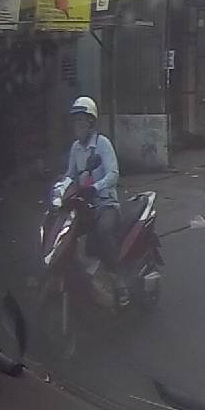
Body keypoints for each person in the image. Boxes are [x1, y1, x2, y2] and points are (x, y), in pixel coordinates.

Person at [66, 96, 126, 304]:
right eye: (75, 120)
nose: (77, 125)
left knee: (102, 232)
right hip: (83, 206)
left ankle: (119, 282)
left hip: (105, 204)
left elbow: (113, 174)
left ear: (91, 122)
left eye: (81, 120)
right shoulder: (75, 148)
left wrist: (95, 187)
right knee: (68, 237)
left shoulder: (102, 144)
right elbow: (70, 175)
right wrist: (61, 189)